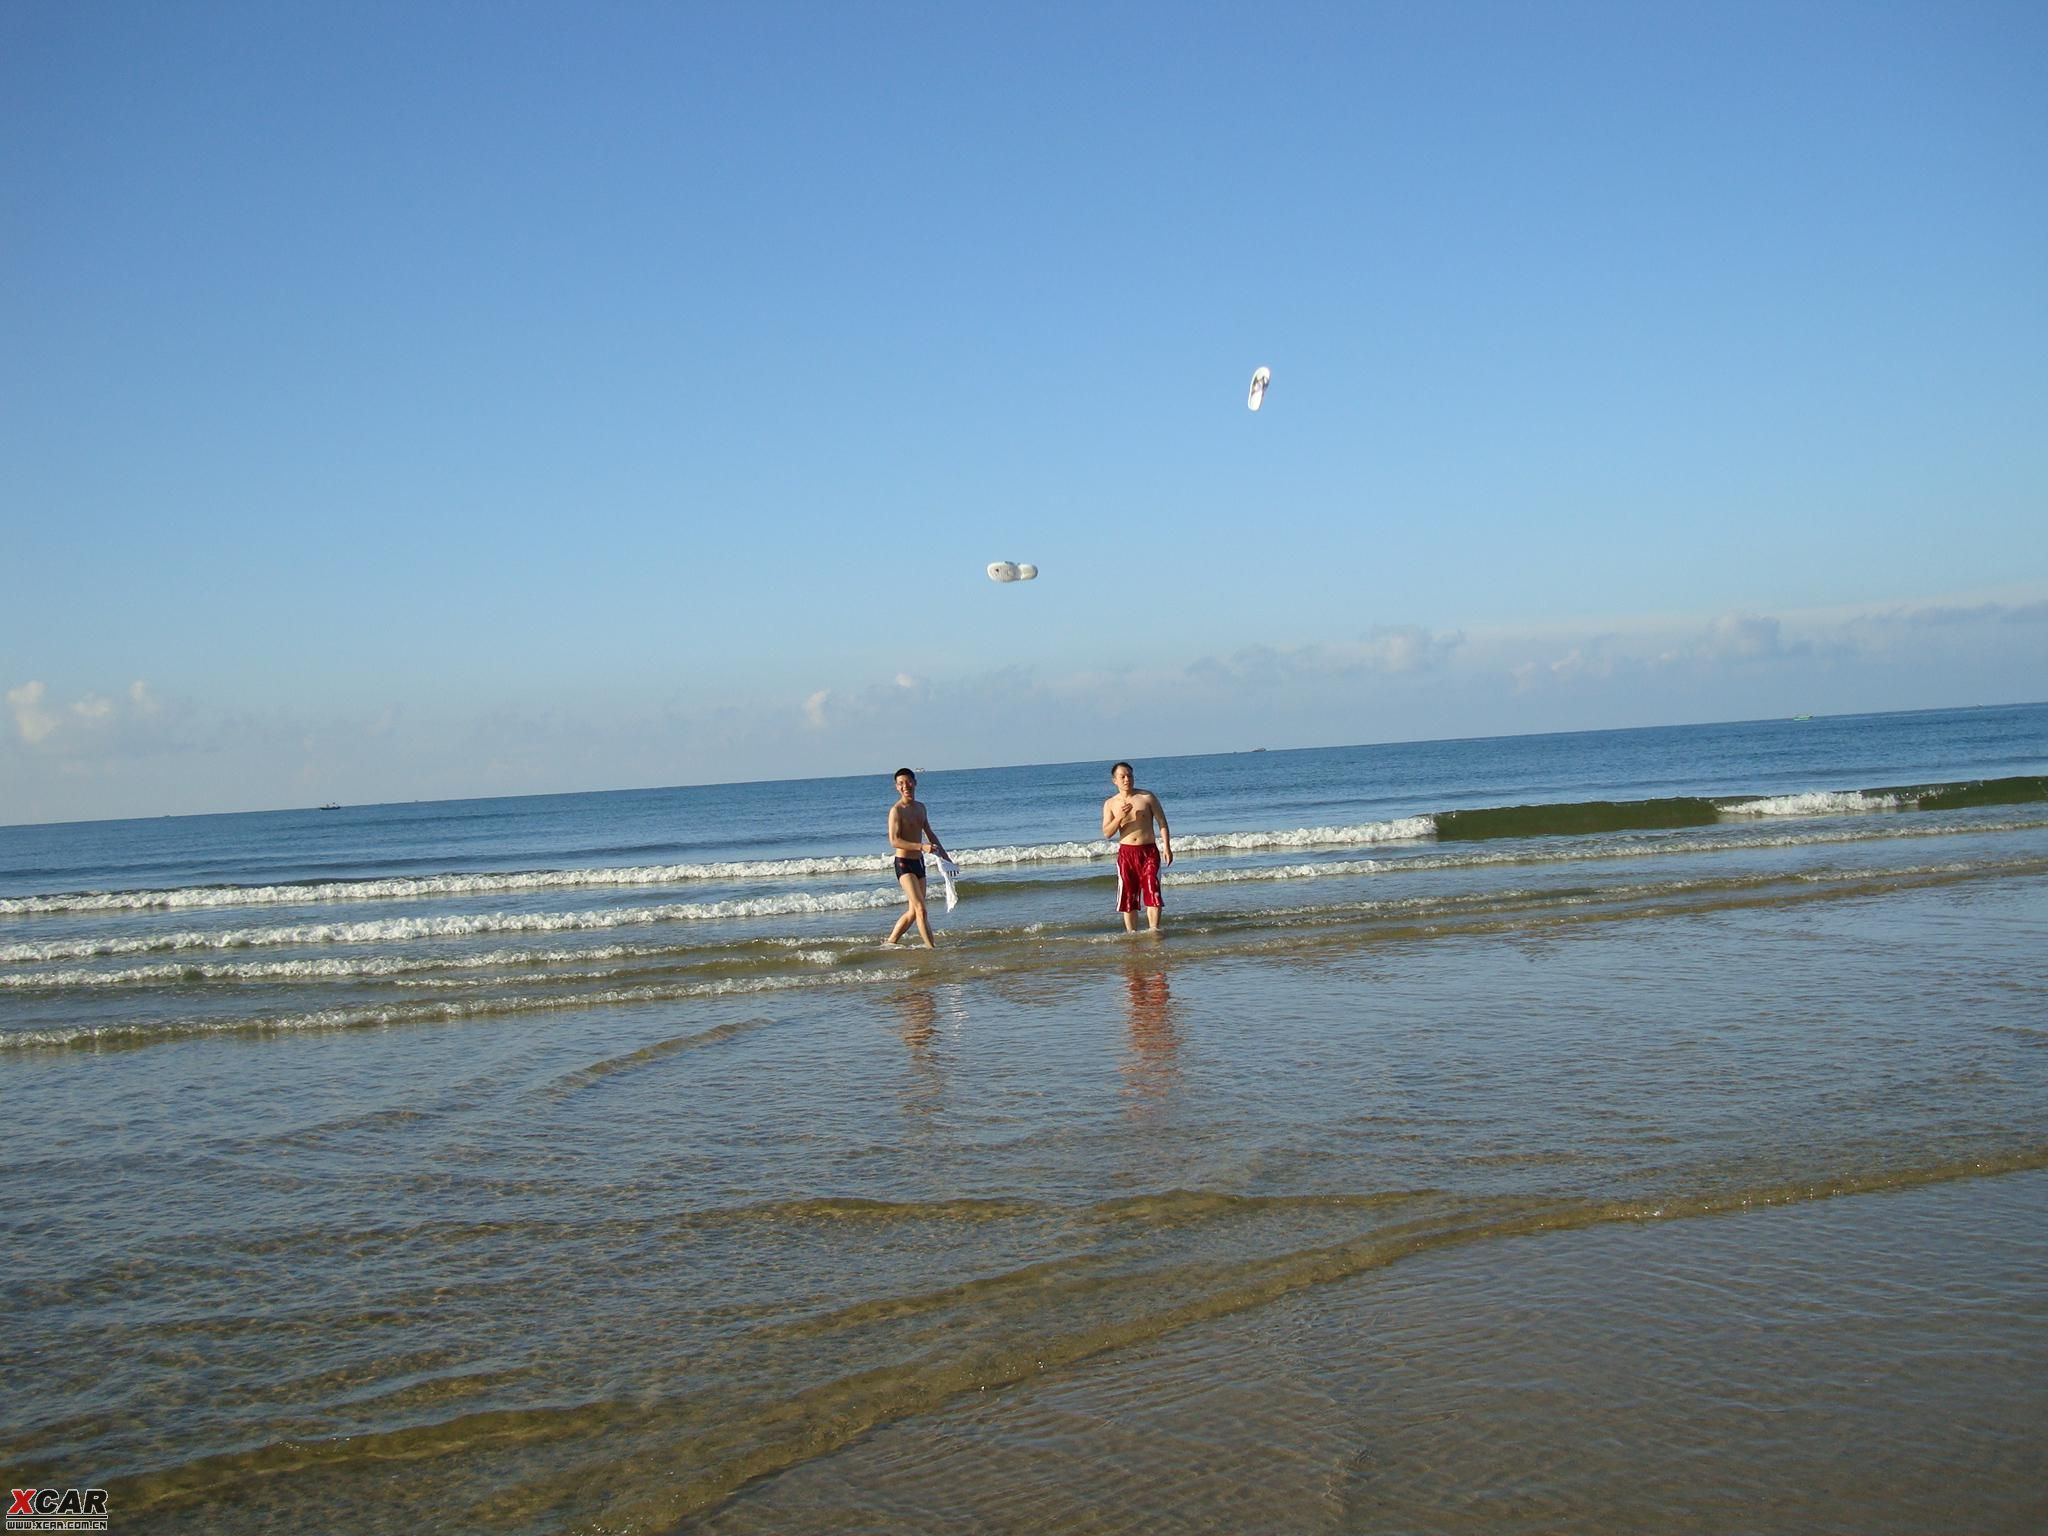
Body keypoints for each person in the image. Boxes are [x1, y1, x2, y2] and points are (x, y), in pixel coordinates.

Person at [1101, 760, 1172, 933]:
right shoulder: (1110, 803)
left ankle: (1154, 931)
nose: (1127, 779)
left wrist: (1167, 847)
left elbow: (1162, 822)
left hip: (1148, 851)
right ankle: (1132, 935)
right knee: (1128, 895)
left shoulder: (1147, 797)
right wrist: (1119, 817)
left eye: (1130, 776)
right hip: (1126, 853)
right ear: (1114, 780)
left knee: (1152, 890)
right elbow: (1107, 833)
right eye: (1122, 776)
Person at [885, 768, 951, 948]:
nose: (905, 786)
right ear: (896, 787)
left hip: (919, 863)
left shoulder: (921, 807)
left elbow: (930, 833)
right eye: (901, 784)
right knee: (921, 909)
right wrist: (921, 847)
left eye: (908, 782)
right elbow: (894, 840)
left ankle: (890, 943)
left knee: (914, 911)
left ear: (915, 783)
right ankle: (932, 950)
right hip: (904, 864)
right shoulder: (896, 811)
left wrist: (947, 859)